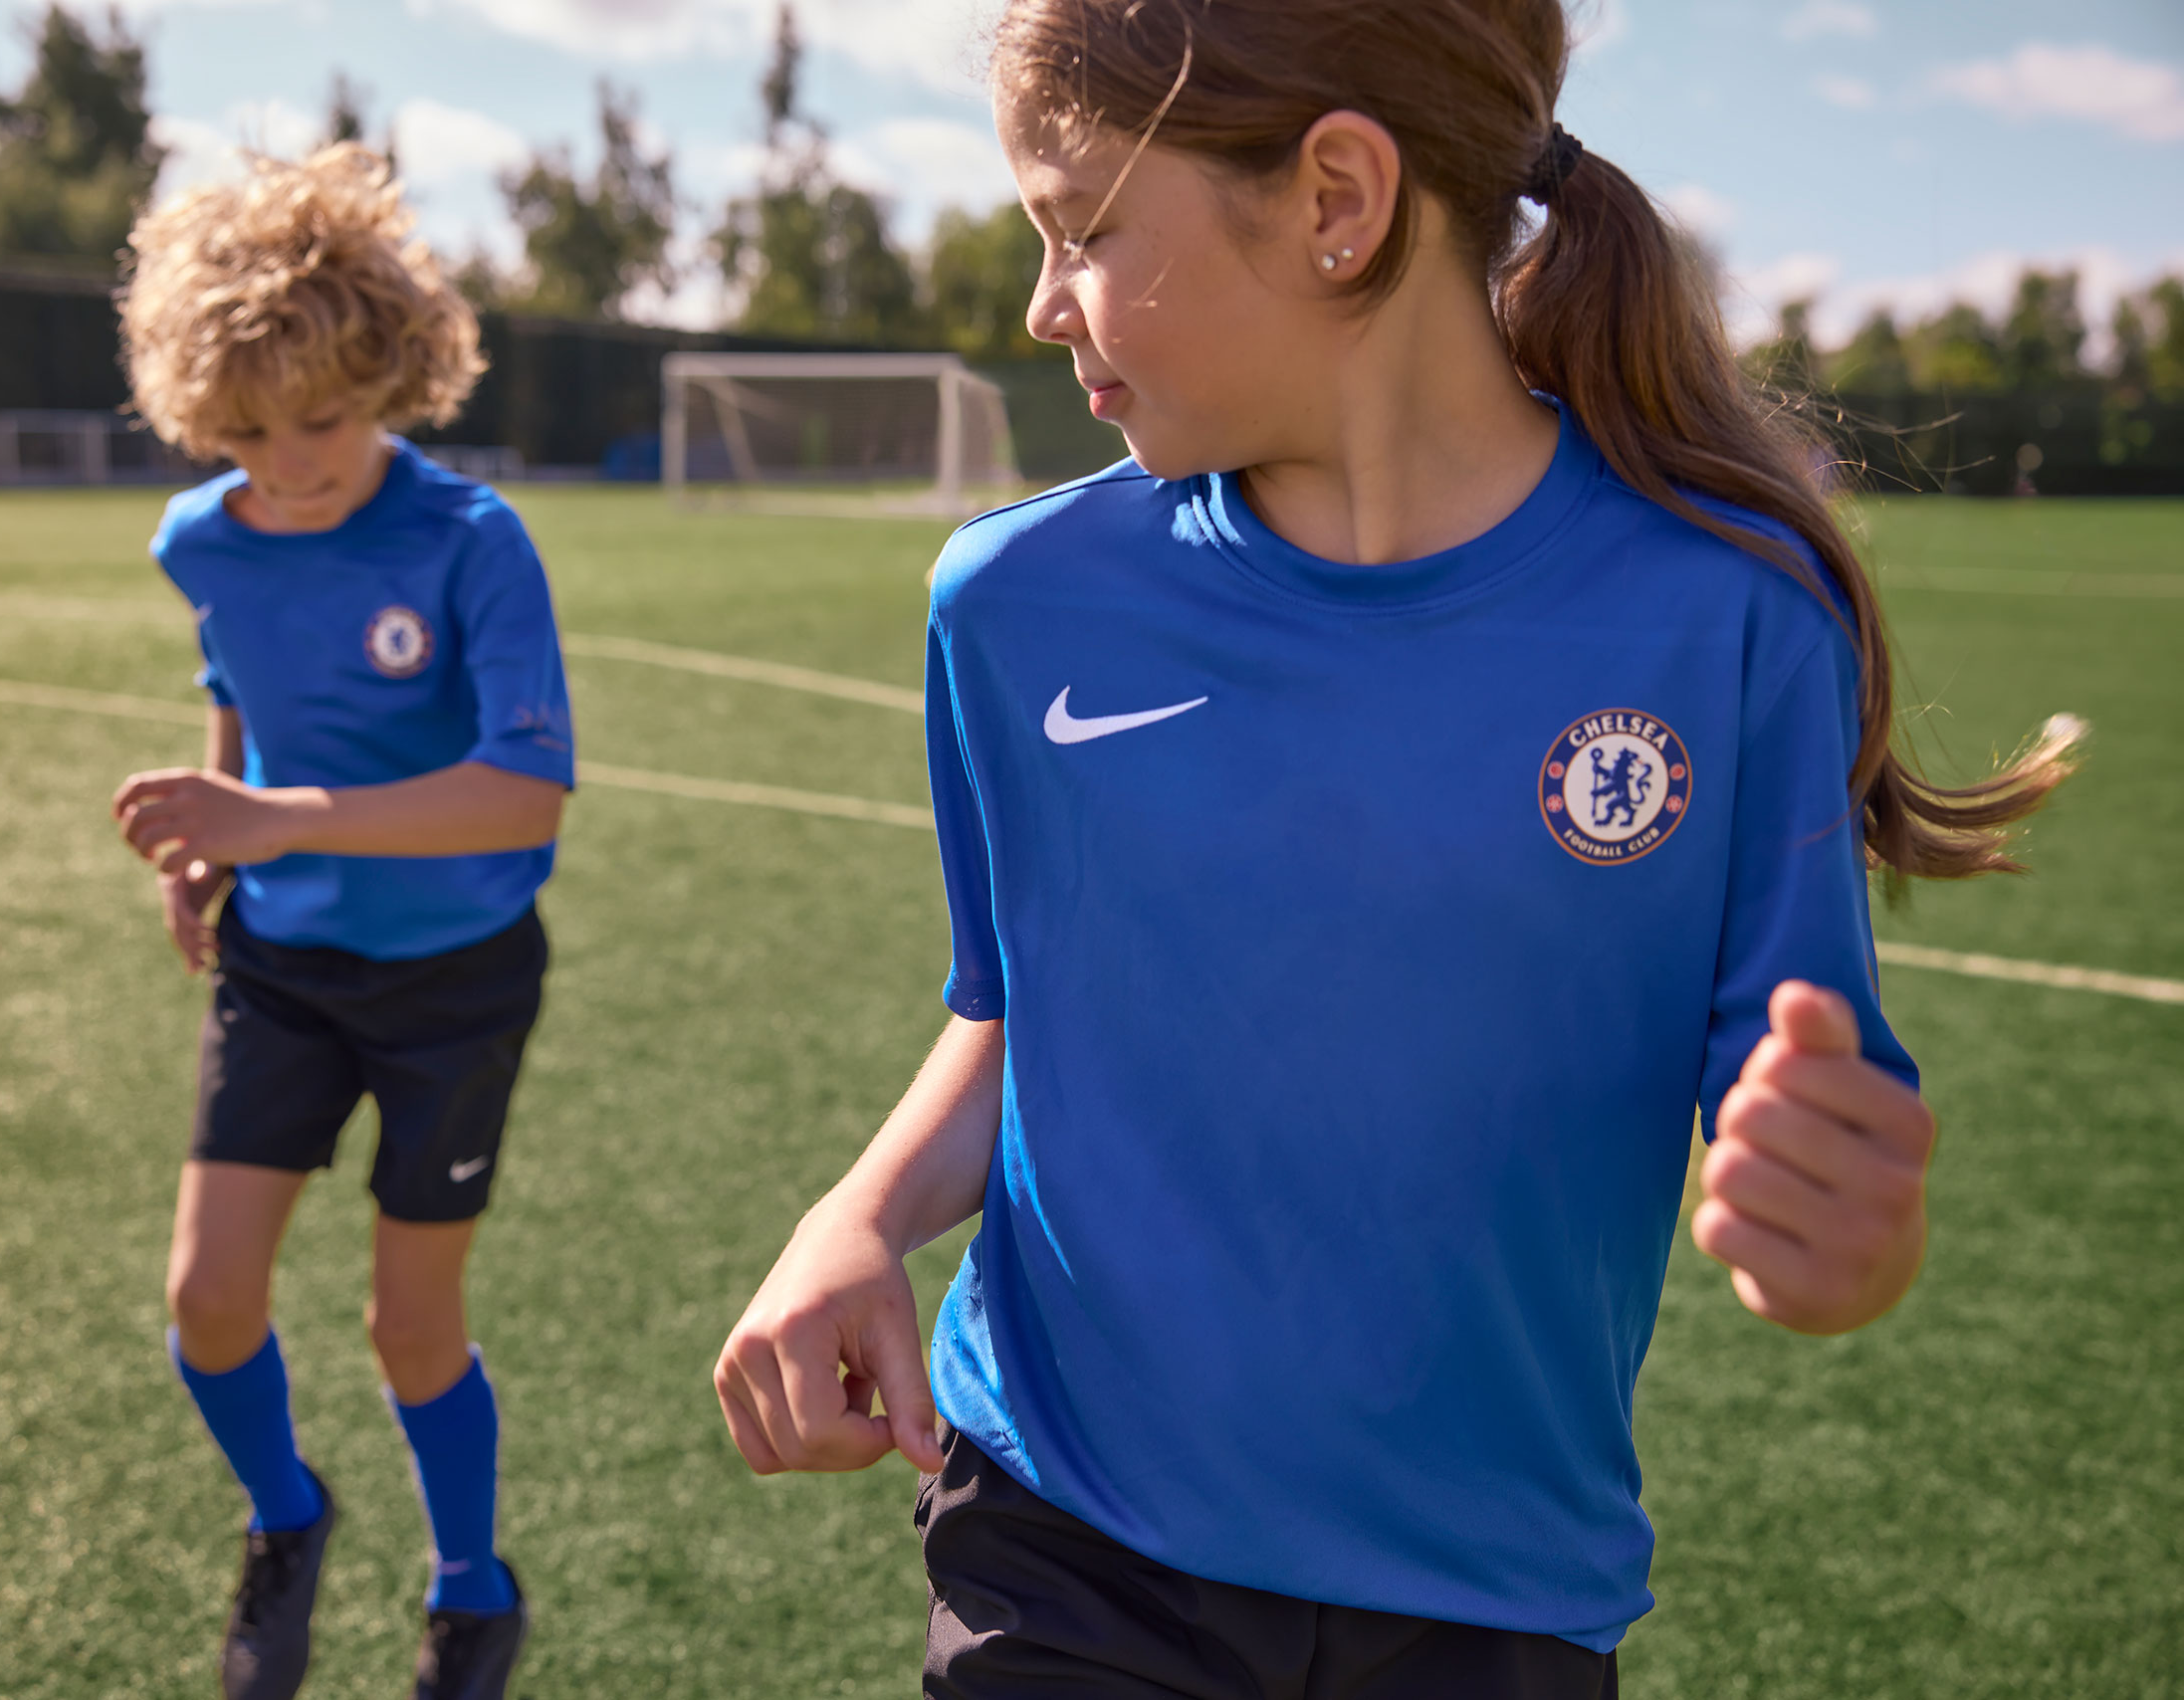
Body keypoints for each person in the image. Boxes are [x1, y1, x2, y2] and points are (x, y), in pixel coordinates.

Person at [714, 3, 2081, 1695]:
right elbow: (1022, 1013)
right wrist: (858, 1214)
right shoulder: (1015, 605)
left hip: (1487, 1597)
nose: (1040, 302)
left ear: (1338, 201)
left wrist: (1849, 1237)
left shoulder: (1727, 623)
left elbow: (1800, 1110)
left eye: (1081, 229)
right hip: (1066, 1542)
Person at [109, 143, 571, 1700]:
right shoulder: (202, 540)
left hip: (454, 981)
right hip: (284, 966)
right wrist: (213, 842)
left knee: (409, 1330)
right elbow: (241, 686)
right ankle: (286, 1519)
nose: (289, 463)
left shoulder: (470, 541)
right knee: (206, 1296)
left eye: (319, 419)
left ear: (391, 365)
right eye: (242, 432)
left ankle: (468, 1588)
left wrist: (271, 818)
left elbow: (524, 792)